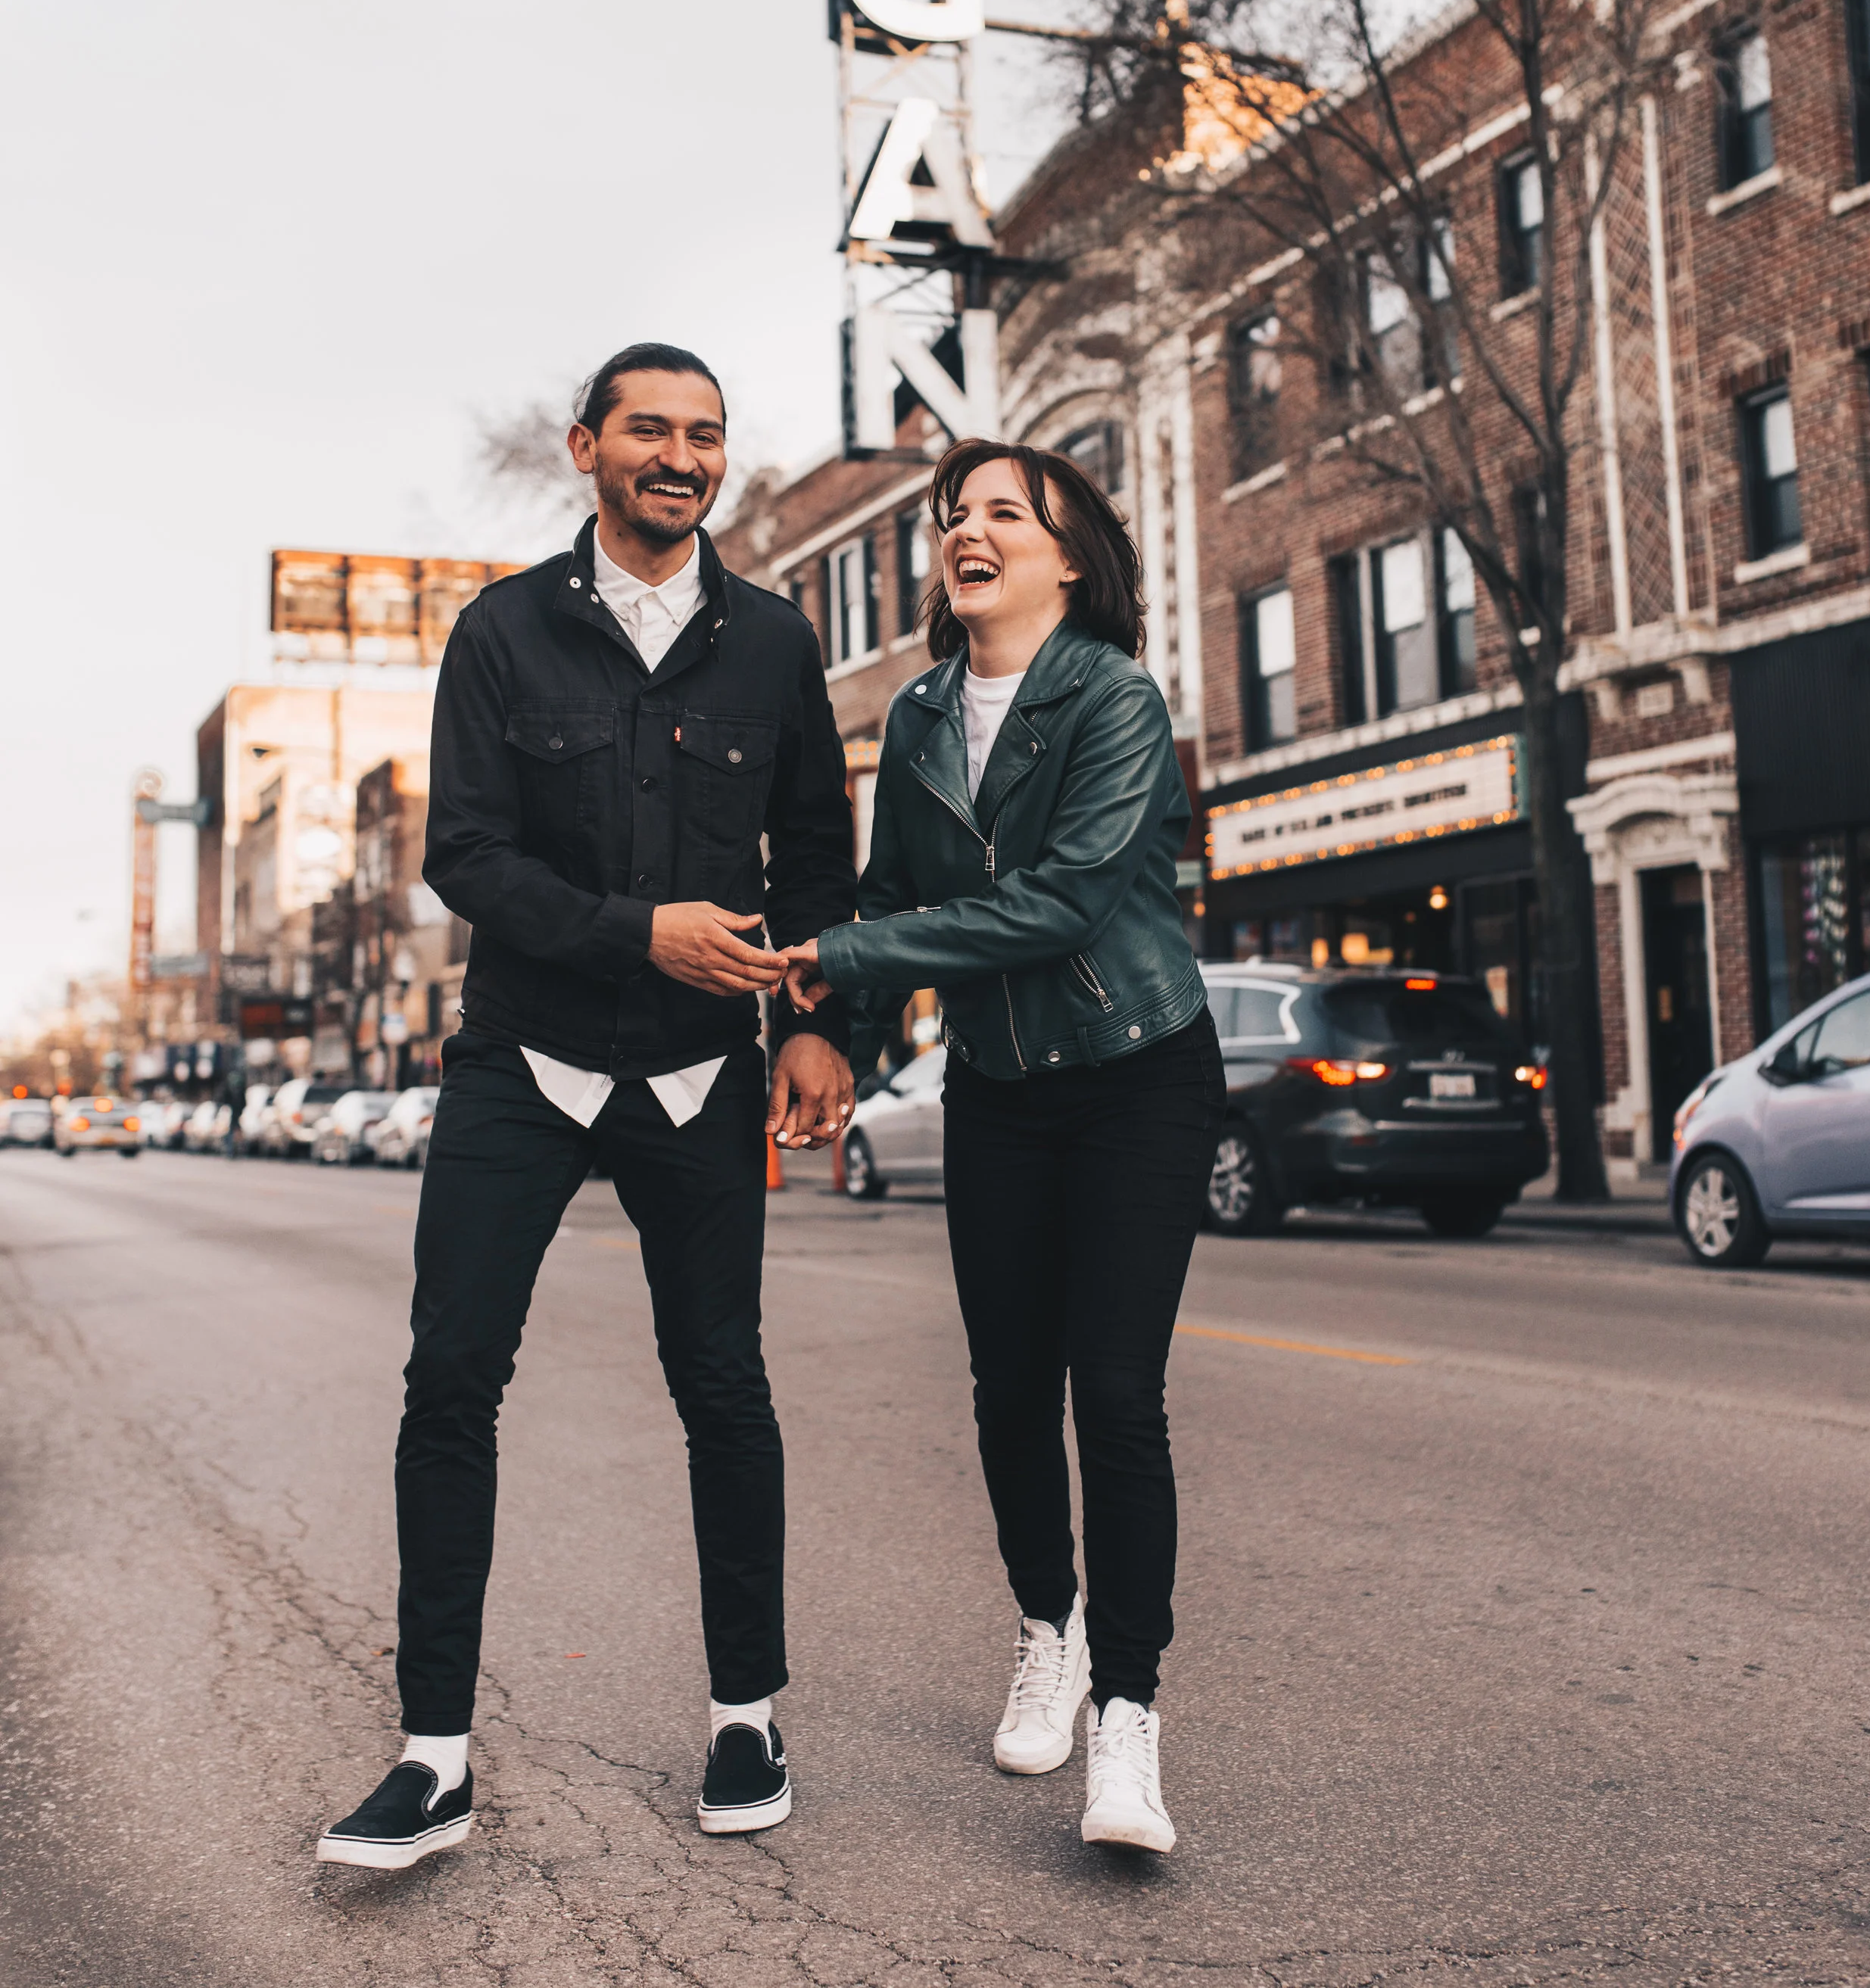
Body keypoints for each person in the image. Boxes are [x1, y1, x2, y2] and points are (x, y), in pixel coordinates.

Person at [317, 343, 857, 1871]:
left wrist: (819, 1023)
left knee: (722, 1384)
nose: (681, 455)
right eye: (650, 429)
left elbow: (817, 854)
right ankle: (432, 1757)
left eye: (706, 434)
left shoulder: (774, 642)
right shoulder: (500, 630)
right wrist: (640, 933)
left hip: (702, 1071)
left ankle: (747, 1716)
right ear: (586, 448)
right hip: (527, 1061)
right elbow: (467, 857)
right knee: (450, 1379)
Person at [781, 438, 1221, 1856]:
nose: (966, 531)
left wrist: (851, 954)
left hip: (1138, 1072)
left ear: (1069, 557)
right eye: (952, 515)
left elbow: (1062, 903)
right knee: (1009, 1388)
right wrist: (831, 1035)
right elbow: (889, 892)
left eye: (1002, 514)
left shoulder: (1113, 697)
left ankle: (1129, 1723)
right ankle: (1050, 1628)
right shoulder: (916, 716)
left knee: (1119, 1394)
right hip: (998, 1088)